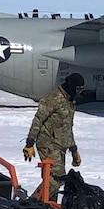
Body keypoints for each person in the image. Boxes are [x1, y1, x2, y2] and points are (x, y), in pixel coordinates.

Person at [23, 72, 84, 202]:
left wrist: (74, 149)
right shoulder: (54, 98)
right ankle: (32, 203)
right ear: (72, 86)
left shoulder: (70, 101)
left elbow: (67, 128)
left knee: (53, 179)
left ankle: (49, 208)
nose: (79, 92)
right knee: (57, 178)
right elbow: (38, 119)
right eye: (78, 88)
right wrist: (30, 143)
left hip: (60, 146)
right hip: (47, 142)